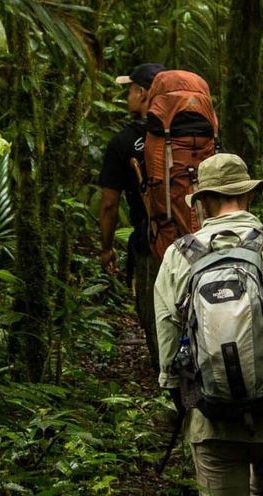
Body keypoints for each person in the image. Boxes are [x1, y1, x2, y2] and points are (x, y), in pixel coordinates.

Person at [154, 153, 263, 495]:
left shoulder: (177, 256)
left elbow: (168, 351)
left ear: (202, 202)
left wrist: (190, 410)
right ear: (248, 195)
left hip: (211, 420)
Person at [99, 62, 166, 368]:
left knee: (154, 310)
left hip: (152, 238)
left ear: (141, 93)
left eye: (129, 89)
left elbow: (110, 204)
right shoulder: (189, 133)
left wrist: (106, 247)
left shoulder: (123, 142)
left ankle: (169, 384)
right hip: (197, 232)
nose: (127, 95)